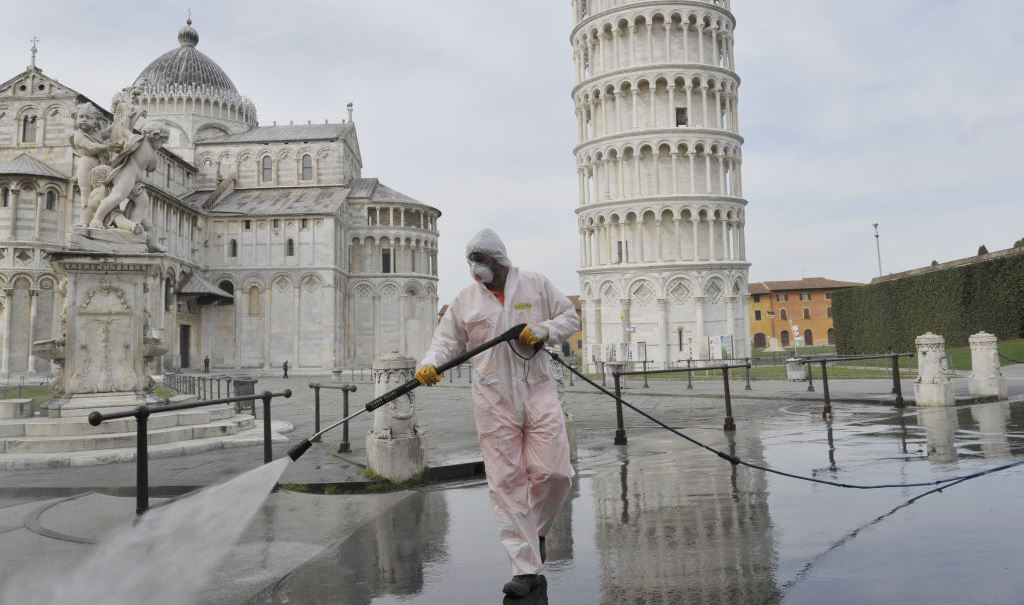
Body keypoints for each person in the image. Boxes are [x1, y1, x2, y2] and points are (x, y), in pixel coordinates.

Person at [415, 228, 579, 598]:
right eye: (471, 262)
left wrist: (544, 329)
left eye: (481, 262)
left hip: (537, 390)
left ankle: (535, 531)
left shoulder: (535, 286)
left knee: (555, 472)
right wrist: (430, 364)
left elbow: (571, 317)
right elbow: (445, 342)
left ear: (499, 260)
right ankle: (525, 568)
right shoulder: (466, 300)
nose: (476, 269)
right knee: (506, 482)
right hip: (493, 398)